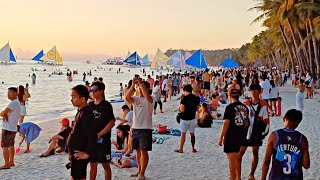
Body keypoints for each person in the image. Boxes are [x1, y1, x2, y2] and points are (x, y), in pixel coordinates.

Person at [261, 109, 310, 179]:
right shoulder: (302, 139)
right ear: (298, 122)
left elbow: (266, 161)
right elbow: (306, 165)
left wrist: (263, 178)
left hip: (276, 177)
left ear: (284, 119)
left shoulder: (274, 135)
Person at [238, 84, 270, 180]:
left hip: (256, 132)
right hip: (245, 131)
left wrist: (262, 134)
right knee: (239, 154)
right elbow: (240, 118)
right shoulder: (246, 104)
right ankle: (237, 175)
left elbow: (267, 121)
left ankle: (251, 174)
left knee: (255, 153)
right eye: (252, 90)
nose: (254, 92)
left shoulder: (264, 105)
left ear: (260, 92)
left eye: (256, 90)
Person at [125, 77, 154, 180]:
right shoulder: (136, 99)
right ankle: (139, 171)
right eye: (139, 88)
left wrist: (141, 83)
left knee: (143, 151)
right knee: (137, 151)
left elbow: (147, 96)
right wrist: (133, 85)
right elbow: (127, 97)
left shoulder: (151, 99)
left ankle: (142, 172)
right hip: (135, 128)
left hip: (145, 128)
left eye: (142, 88)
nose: (140, 90)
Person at [67, 85, 97, 180]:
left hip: (80, 153)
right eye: (71, 97)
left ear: (83, 99)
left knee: (78, 177)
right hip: (75, 153)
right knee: (75, 176)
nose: (71, 99)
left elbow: (92, 135)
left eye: (74, 96)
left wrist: (87, 153)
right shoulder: (81, 111)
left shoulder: (86, 114)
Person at [219, 89, 249, 180]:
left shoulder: (230, 107)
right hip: (241, 134)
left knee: (231, 159)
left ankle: (233, 178)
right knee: (236, 158)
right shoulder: (245, 107)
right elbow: (246, 123)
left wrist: (221, 136)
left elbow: (226, 123)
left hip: (231, 135)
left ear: (230, 96)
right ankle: (236, 177)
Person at [89, 81, 115, 180]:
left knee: (105, 165)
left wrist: (100, 134)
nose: (92, 92)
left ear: (101, 91)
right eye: (90, 90)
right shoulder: (90, 105)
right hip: (92, 141)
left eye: (94, 90)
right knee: (92, 164)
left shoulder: (106, 105)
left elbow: (111, 122)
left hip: (104, 141)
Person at [174, 84, 200, 153]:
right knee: (192, 134)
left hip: (184, 118)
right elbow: (197, 109)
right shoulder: (196, 98)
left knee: (183, 134)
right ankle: (193, 148)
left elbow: (182, 110)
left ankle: (181, 149)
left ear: (185, 90)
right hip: (192, 118)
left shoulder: (184, 99)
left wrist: (179, 109)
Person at [0, 87, 21, 169]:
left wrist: (3, 113)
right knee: (10, 145)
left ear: (15, 93)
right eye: (8, 92)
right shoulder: (16, 102)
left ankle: (7, 163)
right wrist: (4, 114)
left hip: (8, 128)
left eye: (10, 92)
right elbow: (5, 113)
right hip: (12, 127)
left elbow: (3, 113)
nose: (8, 94)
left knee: (4, 145)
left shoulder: (13, 103)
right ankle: (11, 162)